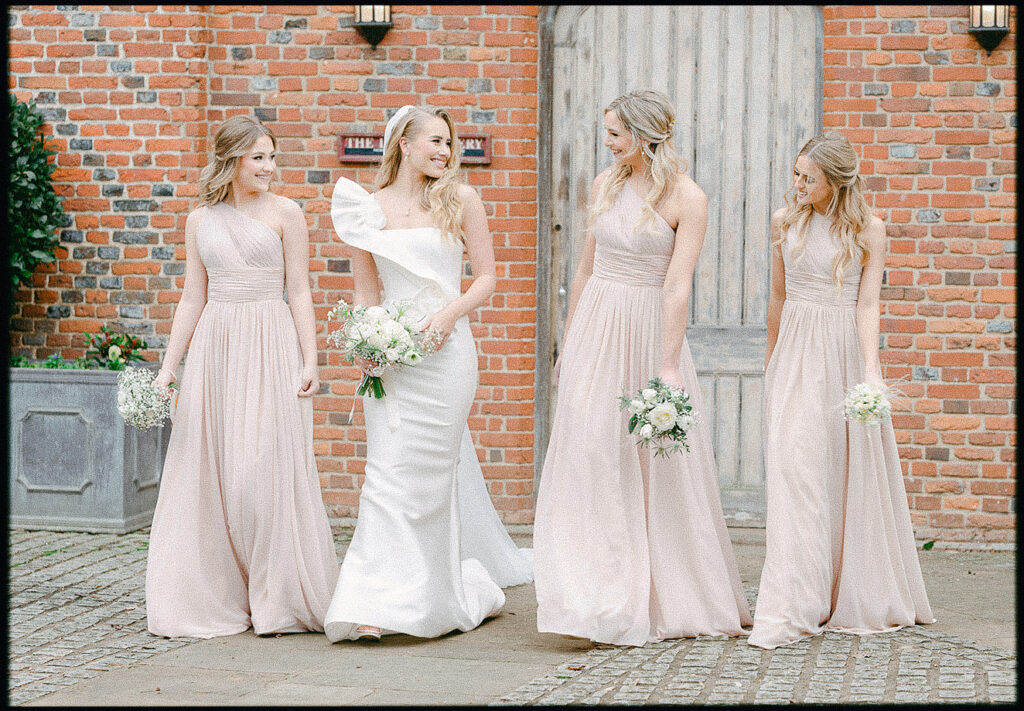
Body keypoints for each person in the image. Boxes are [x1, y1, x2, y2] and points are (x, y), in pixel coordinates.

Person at [533, 89, 752, 647]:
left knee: (653, 466)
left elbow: (677, 286)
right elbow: (584, 268)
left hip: (649, 329)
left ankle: (664, 593)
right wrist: (568, 342)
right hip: (598, 326)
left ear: (644, 135)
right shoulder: (604, 184)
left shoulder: (688, 198)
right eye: (605, 132)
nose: (605, 143)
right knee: (592, 453)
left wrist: (668, 365)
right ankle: (592, 592)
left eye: (614, 134)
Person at [323, 105, 529, 642]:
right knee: (386, 477)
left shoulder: (461, 200)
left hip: (447, 355)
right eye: (434, 141)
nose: (444, 151)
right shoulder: (366, 210)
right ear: (404, 146)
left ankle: (440, 598)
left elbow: (486, 277)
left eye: (449, 143)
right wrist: (366, 343)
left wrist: (447, 315)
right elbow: (367, 292)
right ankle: (373, 602)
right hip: (392, 360)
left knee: (432, 484)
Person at [145, 116, 339, 638]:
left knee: (259, 471)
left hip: (269, 340)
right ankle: (221, 593)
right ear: (231, 160)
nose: (269, 167)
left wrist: (310, 359)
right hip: (216, 347)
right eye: (259, 158)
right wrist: (168, 369)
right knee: (213, 470)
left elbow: (299, 290)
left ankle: (279, 595)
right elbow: (192, 295)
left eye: (272, 156)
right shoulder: (199, 219)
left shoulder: (287, 214)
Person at [748, 132, 934, 649]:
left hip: (843, 356)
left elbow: (867, 305)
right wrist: (772, 365)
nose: (798, 184)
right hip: (795, 355)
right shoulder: (785, 222)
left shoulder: (870, 230)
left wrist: (870, 372)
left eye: (809, 177)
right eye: (796, 173)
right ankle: (793, 600)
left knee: (839, 473)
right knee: (796, 471)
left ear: (837, 181)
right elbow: (779, 299)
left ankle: (837, 590)